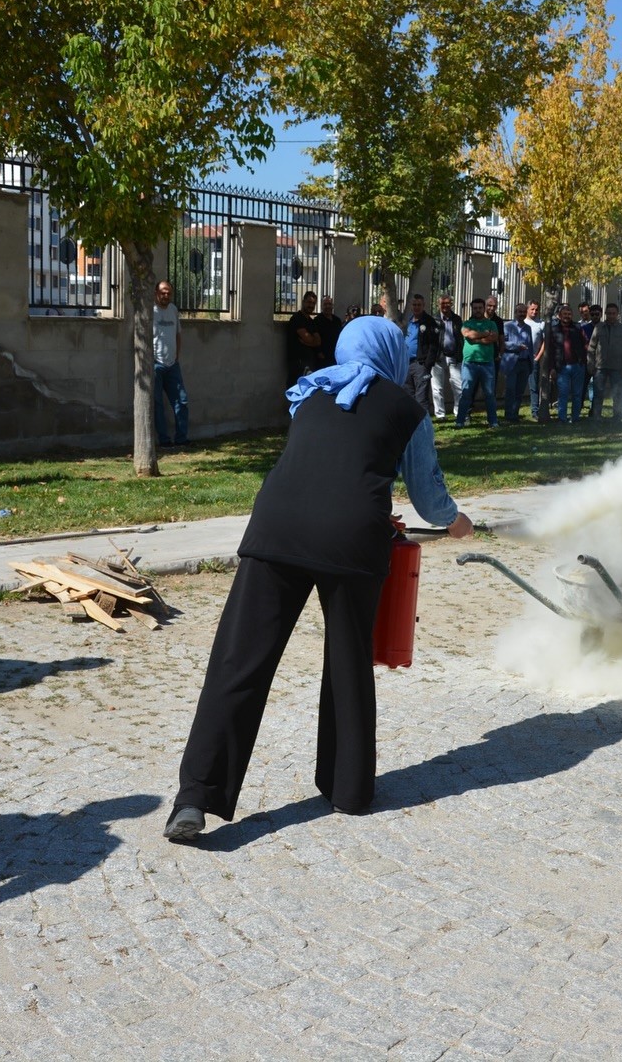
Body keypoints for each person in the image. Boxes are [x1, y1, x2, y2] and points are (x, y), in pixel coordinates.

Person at [164, 316, 474, 840]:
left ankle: (195, 798)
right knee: (349, 659)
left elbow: (324, 465)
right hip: (352, 540)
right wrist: (456, 521)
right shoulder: (408, 408)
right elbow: (427, 493)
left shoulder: (312, 390)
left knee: (239, 662)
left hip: (276, 530)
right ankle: (347, 789)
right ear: (391, 354)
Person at [152, 280, 189, 448]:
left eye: (168, 293)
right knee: (157, 404)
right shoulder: (150, 311)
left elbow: (178, 335)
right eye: (163, 292)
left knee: (181, 401)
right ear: (156, 293)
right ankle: (164, 441)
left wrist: (176, 356)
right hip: (155, 364)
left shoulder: (173, 310)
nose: (166, 295)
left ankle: (181, 438)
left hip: (172, 363)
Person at [455, 297, 499, 428]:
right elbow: (468, 335)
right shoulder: (467, 323)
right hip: (470, 363)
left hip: (487, 363)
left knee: (490, 394)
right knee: (466, 393)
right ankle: (460, 421)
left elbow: (494, 338)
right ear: (472, 309)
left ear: (484, 308)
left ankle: (493, 421)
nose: (478, 310)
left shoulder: (492, 324)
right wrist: (484, 334)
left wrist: (477, 339)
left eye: (480, 308)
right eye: (475, 308)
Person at [587, 302, 622, 421]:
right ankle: (596, 416)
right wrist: (591, 364)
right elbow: (591, 347)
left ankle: (617, 417)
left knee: (617, 394)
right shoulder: (599, 327)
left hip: (617, 367)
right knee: (598, 393)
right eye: (609, 313)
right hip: (600, 366)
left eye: (613, 313)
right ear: (605, 314)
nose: (611, 316)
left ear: (617, 314)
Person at [400, 293, 440, 410]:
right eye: (414, 305)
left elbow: (434, 345)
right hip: (407, 364)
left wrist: (427, 365)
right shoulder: (408, 321)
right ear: (411, 306)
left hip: (420, 364)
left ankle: (423, 426)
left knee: (421, 398)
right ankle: (412, 425)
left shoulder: (429, 322)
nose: (416, 307)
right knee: (408, 396)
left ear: (423, 306)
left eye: (419, 305)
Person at [500, 303, 533, 422]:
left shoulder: (528, 328)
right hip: (512, 362)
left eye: (524, 312)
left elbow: (530, 346)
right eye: (520, 312)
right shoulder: (507, 326)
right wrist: (517, 346)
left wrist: (531, 364)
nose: (522, 314)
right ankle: (508, 415)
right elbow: (503, 343)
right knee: (510, 390)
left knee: (520, 391)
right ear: (515, 313)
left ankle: (515, 414)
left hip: (524, 363)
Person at [434, 295, 462, 419]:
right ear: (438, 304)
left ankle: (458, 412)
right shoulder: (433, 319)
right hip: (438, 357)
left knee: (458, 386)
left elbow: (460, 338)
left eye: (448, 303)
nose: (445, 306)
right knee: (437, 388)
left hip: (454, 357)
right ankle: (440, 415)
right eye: (443, 303)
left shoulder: (457, 319)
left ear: (451, 304)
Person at [285, 291, 321, 385]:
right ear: (303, 302)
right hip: (297, 363)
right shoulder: (296, 318)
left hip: (309, 363)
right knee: (295, 390)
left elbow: (318, 341)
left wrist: (308, 343)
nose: (311, 305)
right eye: (309, 302)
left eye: (313, 303)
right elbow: (309, 339)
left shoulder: (311, 321)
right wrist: (310, 341)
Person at [316, 295, 343, 368]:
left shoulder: (337, 320)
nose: (327, 306)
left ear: (332, 306)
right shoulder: (317, 320)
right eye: (325, 304)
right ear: (321, 306)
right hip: (323, 358)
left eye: (329, 304)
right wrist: (319, 352)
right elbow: (315, 339)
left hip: (335, 356)